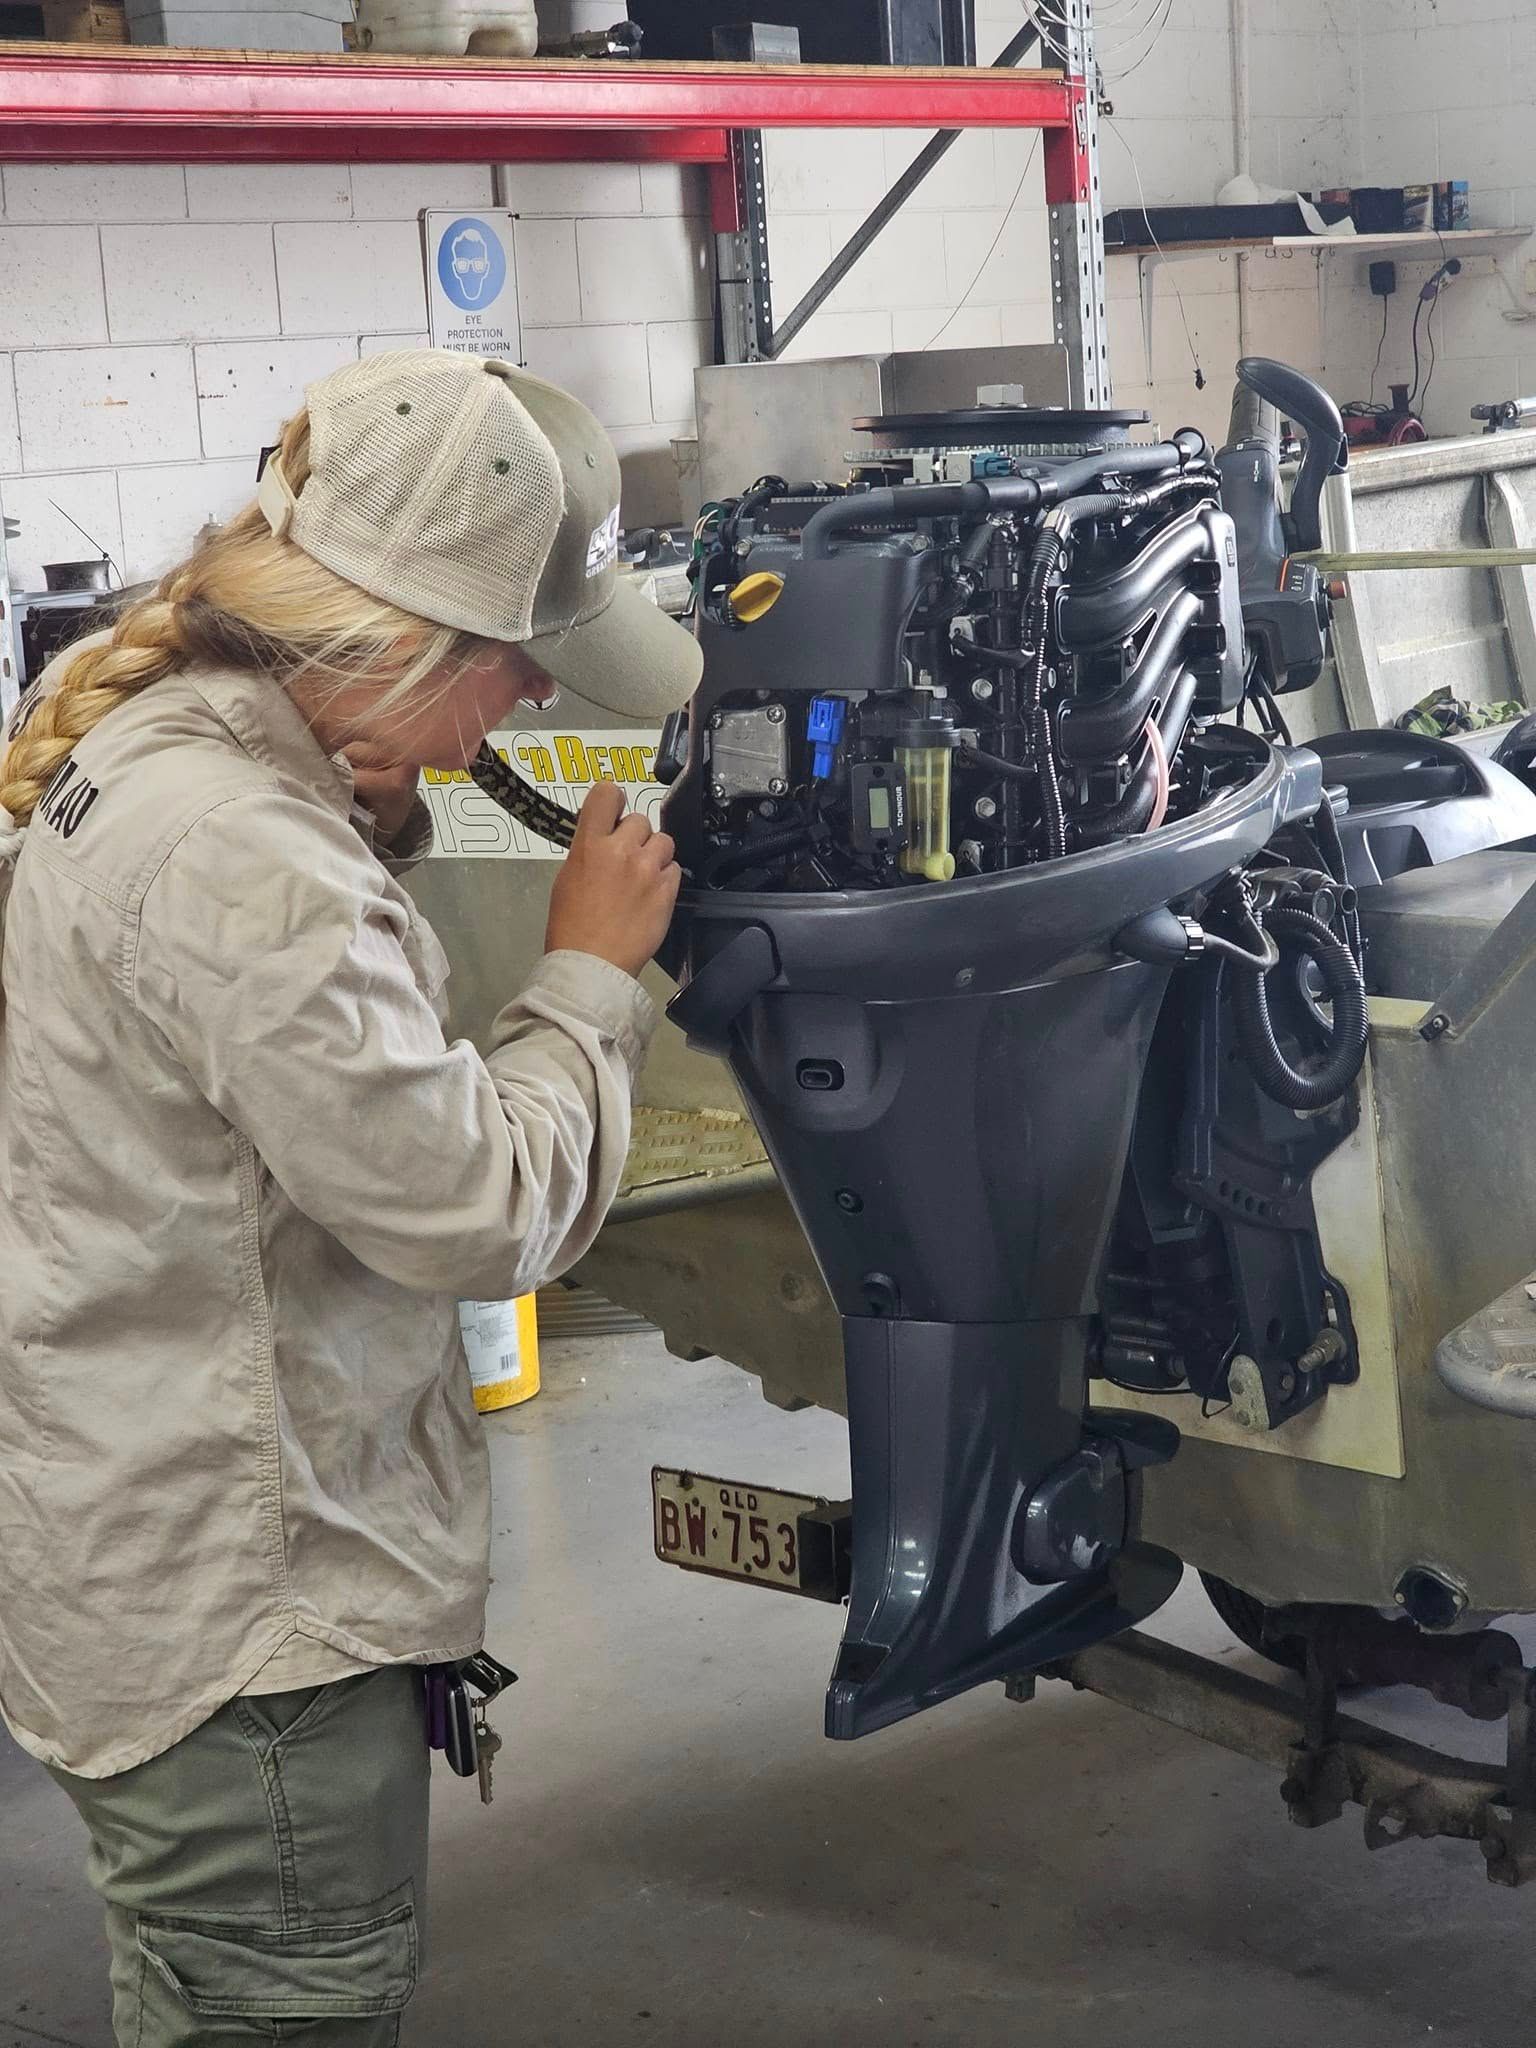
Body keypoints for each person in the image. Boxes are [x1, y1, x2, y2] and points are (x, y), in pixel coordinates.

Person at [0, 350, 702, 2045]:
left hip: (135, 1562)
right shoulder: (244, 851)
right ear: (403, 645)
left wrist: (370, 812)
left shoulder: (148, 713)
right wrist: (588, 974)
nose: (523, 713)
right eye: (517, 672)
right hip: (254, 1642)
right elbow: (480, 1208)